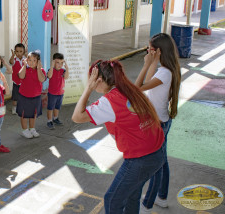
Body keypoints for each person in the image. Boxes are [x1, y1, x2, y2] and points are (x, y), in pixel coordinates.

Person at [71, 60, 165, 213]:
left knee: (112, 200)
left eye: (91, 79)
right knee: (131, 195)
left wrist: (88, 89)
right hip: (156, 153)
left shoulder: (109, 102)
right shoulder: (129, 89)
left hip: (141, 158)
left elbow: (77, 116)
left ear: (98, 80)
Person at [135, 33, 181, 213]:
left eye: (151, 50)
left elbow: (139, 87)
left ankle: (147, 204)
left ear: (159, 51)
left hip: (158, 125)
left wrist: (147, 63)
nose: (148, 52)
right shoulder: (166, 69)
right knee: (162, 162)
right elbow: (148, 82)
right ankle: (161, 197)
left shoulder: (164, 73)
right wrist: (153, 61)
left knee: (156, 165)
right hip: (162, 121)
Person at [16, 51, 46, 139]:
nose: (31, 62)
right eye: (29, 60)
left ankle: (32, 128)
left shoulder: (41, 70)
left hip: (35, 96)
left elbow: (41, 79)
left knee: (33, 113)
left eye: (34, 60)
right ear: (26, 60)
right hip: (24, 96)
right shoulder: (25, 69)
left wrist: (39, 68)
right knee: (24, 114)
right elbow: (21, 76)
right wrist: (24, 65)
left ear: (38, 62)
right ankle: (24, 130)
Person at [46, 53, 69, 129]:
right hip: (52, 93)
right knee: (50, 107)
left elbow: (66, 77)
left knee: (57, 107)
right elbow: (49, 76)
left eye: (62, 63)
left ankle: (55, 118)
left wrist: (67, 68)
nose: (60, 65)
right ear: (53, 62)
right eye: (57, 62)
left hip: (60, 93)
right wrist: (52, 66)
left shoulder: (63, 70)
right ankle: (49, 121)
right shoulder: (51, 70)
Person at [9, 43, 26, 115]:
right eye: (17, 51)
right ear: (15, 52)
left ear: (24, 52)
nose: (19, 53)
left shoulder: (26, 60)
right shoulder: (14, 60)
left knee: (24, 96)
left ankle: (22, 107)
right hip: (16, 82)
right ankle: (14, 107)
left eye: (21, 51)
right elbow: (11, 62)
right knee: (15, 96)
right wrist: (12, 56)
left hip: (24, 82)